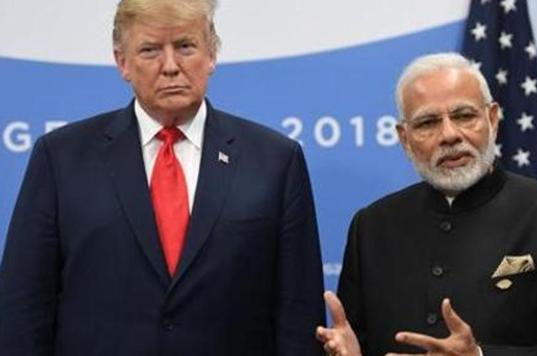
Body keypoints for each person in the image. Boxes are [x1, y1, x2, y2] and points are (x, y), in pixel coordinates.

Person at [0, 0, 325, 354]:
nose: (170, 66)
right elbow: (23, 308)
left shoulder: (276, 161)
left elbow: (297, 316)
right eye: (150, 50)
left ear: (212, 53)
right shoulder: (61, 158)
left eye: (185, 46)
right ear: (122, 62)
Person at [316, 53, 537, 356]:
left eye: (464, 116)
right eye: (427, 123)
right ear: (405, 138)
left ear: (492, 119)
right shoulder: (371, 226)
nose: (449, 135)